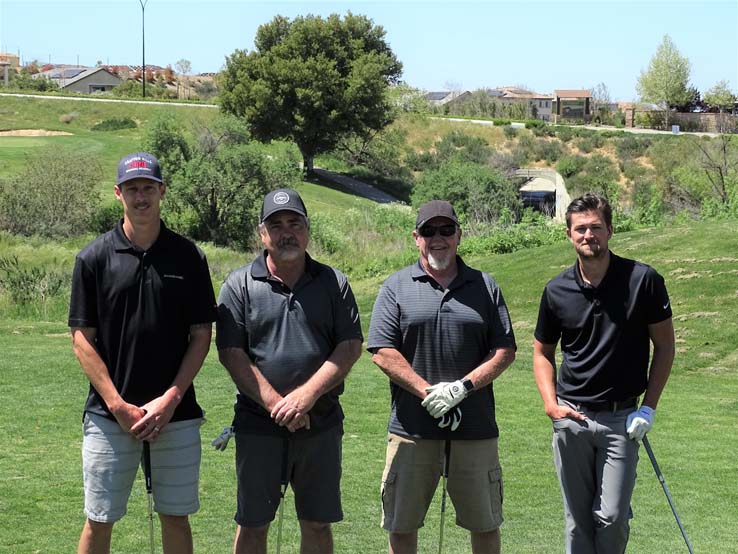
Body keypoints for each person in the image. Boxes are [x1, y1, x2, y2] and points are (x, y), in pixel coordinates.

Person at [69, 152, 217, 554]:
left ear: (162, 192)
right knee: (99, 518)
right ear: (118, 194)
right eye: (132, 189)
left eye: (148, 188)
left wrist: (171, 398)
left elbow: (201, 334)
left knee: (175, 516)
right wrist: (117, 405)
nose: (141, 197)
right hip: (108, 417)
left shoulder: (189, 257)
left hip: (176, 415)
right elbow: (82, 338)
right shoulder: (93, 258)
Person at [216, 188, 363, 554]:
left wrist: (305, 397)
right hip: (258, 426)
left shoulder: (334, 283)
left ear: (307, 229)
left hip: (320, 423)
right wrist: (278, 405)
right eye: (276, 225)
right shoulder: (239, 285)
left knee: (317, 522)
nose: (287, 233)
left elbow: (349, 347)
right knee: (252, 524)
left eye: (294, 223)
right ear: (261, 234)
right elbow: (231, 352)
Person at [367, 200, 517, 554]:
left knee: (485, 525)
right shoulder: (396, 286)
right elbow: (381, 350)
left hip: (475, 430)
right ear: (416, 237)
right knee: (401, 526)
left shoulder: (485, 285)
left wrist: (461, 388)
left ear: (459, 236)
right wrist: (427, 391)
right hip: (411, 430)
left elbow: (504, 351)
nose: (439, 239)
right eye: (429, 231)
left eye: (446, 230)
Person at [532, 193, 675, 554]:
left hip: (622, 418)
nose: (588, 235)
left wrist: (648, 408)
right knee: (577, 522)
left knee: (611, 518)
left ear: (610, 230)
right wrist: (551, 404)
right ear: (568, 234)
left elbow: (666, 347)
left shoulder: (643, 280)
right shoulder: (556, 291)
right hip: (572, 416)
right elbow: (542, 352)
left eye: (596, 227)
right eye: (580, 229)